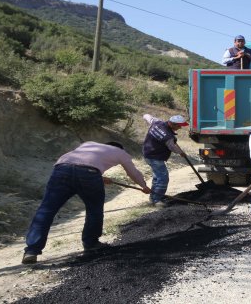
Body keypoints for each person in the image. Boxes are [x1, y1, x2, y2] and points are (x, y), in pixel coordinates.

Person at [22, 141, 150, 264]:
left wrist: (97, 175)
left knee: (47, 210)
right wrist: (144, 186)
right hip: (89, 174)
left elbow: (79, 164)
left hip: (61, 169)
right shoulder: (121, 152)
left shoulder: (88, 144)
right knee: (94, 209)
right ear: (120, 148)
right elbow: (132, 173)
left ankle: (32, 250)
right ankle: (91, 243)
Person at [142, 113, 188, 207]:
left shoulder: (157, 122)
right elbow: (172, 147)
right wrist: (181, 153)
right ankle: (157, 200)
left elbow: (147, 116)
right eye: (179, 126)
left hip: (147, 153)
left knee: (157, 178)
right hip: (155, 156)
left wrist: (145, 115)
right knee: (163, 178)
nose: (180, 128)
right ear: (172, 124)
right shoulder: (168, 136)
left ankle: (153, 198)